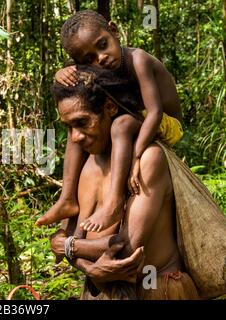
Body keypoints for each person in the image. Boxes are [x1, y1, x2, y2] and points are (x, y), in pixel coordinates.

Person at [48, 70, 199, 300]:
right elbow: (71, 234)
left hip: (155, 287)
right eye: (68, 127)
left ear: (109, 107)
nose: (75, 137)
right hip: (103, 290)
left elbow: (127, 251)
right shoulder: (89, 162)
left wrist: (66, 246)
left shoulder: (150, 159)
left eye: (82, 122)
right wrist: (87, 267)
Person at [36, 10, 184, 233]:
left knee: (120, 125)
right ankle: (67, 198)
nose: (101, 58)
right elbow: (72, 73)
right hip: (137, 117)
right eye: (89, 60)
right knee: (77, 128)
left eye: (102, 45)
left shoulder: (139, 60)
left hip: (167, 123)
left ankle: (114, 203)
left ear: (114, 31)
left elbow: (154, 113)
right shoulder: (99, 67)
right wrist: (60, 73)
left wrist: (136, 155)